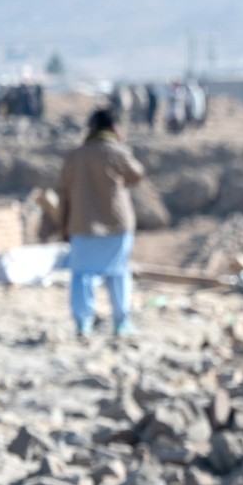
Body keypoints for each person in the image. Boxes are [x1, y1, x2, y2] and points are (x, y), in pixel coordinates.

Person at [55, 108, 145, 337]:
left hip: (83, 225)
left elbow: (63, 194)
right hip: (116, 224)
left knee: (82, 276)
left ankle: (83, 324)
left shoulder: (75, 156)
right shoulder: (116, 152)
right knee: (118, 274)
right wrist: (123, 145)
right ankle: (121, 323)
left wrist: (63, 226)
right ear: (113, 128)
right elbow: (136, 175)